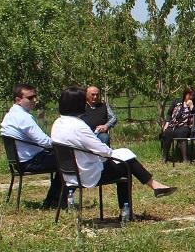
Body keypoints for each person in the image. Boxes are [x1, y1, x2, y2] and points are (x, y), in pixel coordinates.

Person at [51, 86, 174, 216]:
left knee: (124, 158)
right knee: (126, 166)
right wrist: (109, 153)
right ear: (77, 104)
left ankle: (154, 186)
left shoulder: (58, 123)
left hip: (68, 174)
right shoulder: (79, 126)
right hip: (86, 175)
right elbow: (104, 151)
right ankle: (126, 211)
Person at [0, 84, 64, 209]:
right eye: (30, 98)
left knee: (62, 159)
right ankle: (54, 202)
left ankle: (55, 200)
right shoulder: (24, 117)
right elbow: (44, 141)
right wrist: (63, 145)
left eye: (35, 96)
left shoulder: (10, 115)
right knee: (68, 161)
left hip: (19, 161)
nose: (34, 100)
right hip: (30, 161)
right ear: (18, 100)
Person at [160, 85, 195, 162]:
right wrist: (167, 123)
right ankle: (165, 157)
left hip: (188, 126)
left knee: (182, 132)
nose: (191, 97)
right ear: (185, 93)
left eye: (193, 95)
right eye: (189, 94)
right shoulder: (177, 102)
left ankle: (185, 158)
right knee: (167, 132)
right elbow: (169, 113)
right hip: (174, 125)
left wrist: (191, 106)